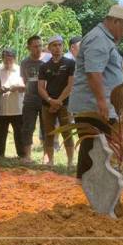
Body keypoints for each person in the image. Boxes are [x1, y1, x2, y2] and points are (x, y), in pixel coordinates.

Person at [68, 5, 123, 179]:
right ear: (115, 21)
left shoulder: (104, 39)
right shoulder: (98, 39)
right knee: (94, 149)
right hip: (94, 107)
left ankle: (87, 186)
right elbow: (93, 72)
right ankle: (89, 188)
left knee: (94, 148)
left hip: (98, 106)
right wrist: (102, 102)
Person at [38, 36, 75, 168]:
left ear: (63, 47)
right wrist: (50, 100)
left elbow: (70, 85)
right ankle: (50, 160)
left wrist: (58, 101)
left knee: (67, 131)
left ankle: (70, 161)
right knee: (48, 132)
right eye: (54, 45)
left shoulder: (70, 64)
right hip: (47, 104)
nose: (57, 48)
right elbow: (41, 87)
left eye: (59, 45)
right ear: (49, 48)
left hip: (65, 103)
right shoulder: (44, 66)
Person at [20, 35, 50, 163]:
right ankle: (27, 156)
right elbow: (25, 80)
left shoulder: (47, 61)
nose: (38, 48)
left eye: (40, 45)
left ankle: (46, 156)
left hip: (45, 99)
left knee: (46, 128)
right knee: (28, 127)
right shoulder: (24, 62)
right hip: (29, 99)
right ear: (29, 47)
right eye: (35, 46)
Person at [0, 48, 25, 158]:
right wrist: (0, 89)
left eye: (10, 60)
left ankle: (22, 154)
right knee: (0, 133)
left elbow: (25, 87)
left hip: (17, 107)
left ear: (14, 59)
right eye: (5, 60)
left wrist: (16, 87)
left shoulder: (20, 70)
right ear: (2, 59)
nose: (8, 63)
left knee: (19, 133)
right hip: (2, 107)